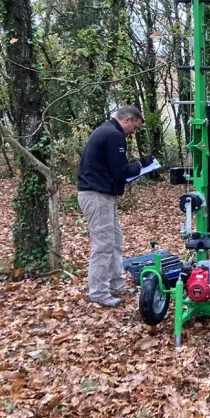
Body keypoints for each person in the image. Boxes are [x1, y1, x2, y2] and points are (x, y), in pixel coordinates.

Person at [77, 106, 153, 307]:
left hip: (104, 195)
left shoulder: (107, 131)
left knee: (115, 241)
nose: (132, 133)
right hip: (97, 195)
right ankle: (99, 292)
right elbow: (121, 171)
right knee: (103, 245)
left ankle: (116, 285)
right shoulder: (113, 135)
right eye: (134, 128)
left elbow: (113, 168)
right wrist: (141, 164)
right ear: (127, 120)